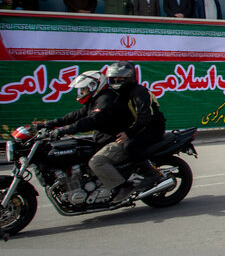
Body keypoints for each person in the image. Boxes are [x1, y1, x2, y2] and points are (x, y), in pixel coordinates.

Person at [39, 70, 136, 205]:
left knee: (96, 162)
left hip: (118, 140)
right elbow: (75, 115)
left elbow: (92, 120)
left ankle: (122, 188)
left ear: (93, 86)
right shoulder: (95, 100)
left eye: (84, 89)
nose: (82, 92)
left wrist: (64, 131)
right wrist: (48, 124)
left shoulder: (106, 99)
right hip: (103, 140)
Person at [105, 62, 167, 170]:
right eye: (114, 78)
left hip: (152, 128)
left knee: (130, 146)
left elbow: (145, 118)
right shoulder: (118, 93)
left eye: (120, 78)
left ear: (129, 77)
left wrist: (128, 134)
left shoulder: (139, 92)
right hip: (137, 127)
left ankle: (150, 173)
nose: (116, 81)